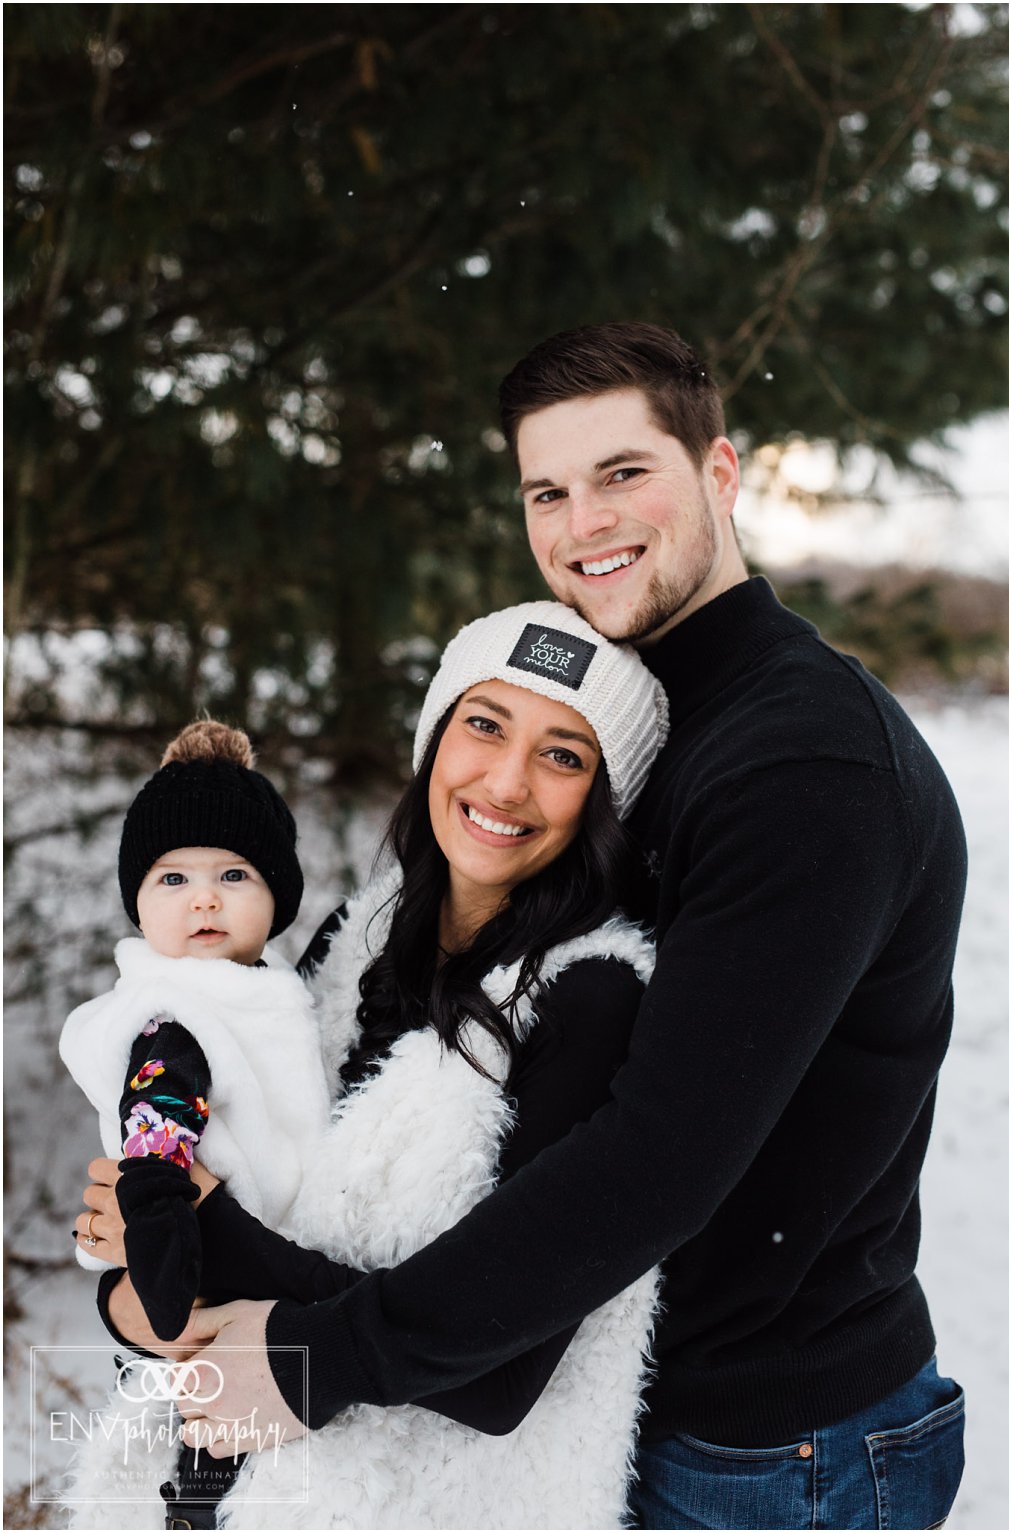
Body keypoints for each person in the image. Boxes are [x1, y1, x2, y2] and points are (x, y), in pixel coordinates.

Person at [110, 323, 972, 1532]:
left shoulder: (802, 763)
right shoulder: (619, 712)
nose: (585, 525)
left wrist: (331, 1359)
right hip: (578, 1408)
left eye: (624, 475)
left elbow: (650, 1162)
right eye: (548, 492)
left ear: (721, 476)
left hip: (767, 1447)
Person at [72, 601, 672, 1528]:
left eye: (563, 754)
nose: (506, 782)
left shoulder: (591, 999)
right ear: (436, 741)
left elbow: (499, 1370)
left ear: (601, 799)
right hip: (225, 1483)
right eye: (484, 725)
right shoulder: (356, 945)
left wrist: (209, 1233)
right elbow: (258, 1204)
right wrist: (138, 1286)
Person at [59, 720, 330, 1524]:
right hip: (195, 1270)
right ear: (138, 901)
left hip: (268, 1267)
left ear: (277, 895)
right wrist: (162, 1230)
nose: (204, 897)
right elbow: (157, 1133)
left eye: (234, 873)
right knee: (216, 1448)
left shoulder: (265, 989)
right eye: (172, 878)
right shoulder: (173, 1016)